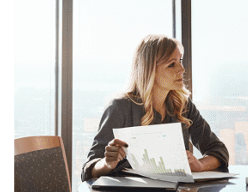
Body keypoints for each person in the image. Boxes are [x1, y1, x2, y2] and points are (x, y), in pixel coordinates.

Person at [81, 34, 229, 182]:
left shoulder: (183, 106)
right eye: (172, 64)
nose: (182, 69)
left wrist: (200, 165)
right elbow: (88, 171)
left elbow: (219, 151)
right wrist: (106, 163)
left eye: (180, 61)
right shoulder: (120, 107)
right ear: (149, 70)